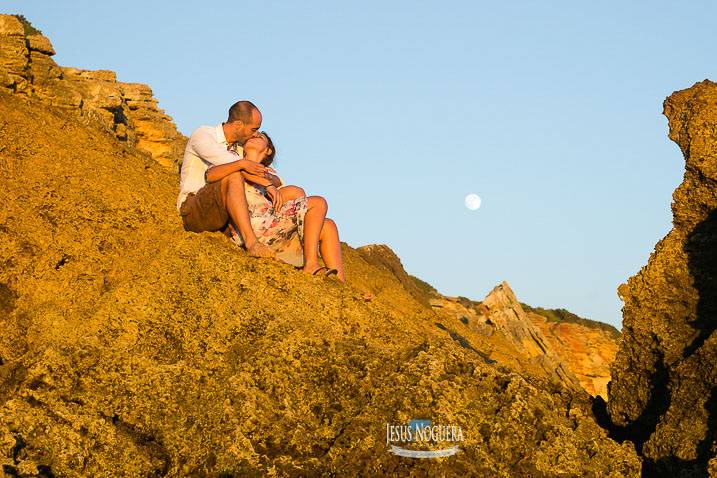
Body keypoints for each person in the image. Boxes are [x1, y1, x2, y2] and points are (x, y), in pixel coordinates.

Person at [229, 132, 345, 282]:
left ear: (268, 150)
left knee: (328, 225)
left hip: (269, 224)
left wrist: (268, 178)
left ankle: (341, 284)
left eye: (260, 137)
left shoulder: (270, 175)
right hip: (250, 227)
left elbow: (281, 187)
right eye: (252, 135)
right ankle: (311, 264)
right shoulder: (234, 159)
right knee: (318, 202)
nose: (254, 135)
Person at [177, 100, 276, 258]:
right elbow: (230, 165)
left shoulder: (239, 148)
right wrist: (257, 174)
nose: (256, 134)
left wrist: (270, 182)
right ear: (238, 125)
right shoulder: (203, 135)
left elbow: (270, 175)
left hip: (222, 213)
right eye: (254, 129)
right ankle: (252, 243)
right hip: (194, 209)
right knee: (233, 174)